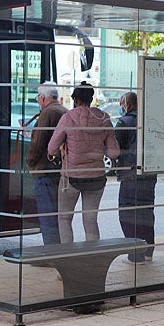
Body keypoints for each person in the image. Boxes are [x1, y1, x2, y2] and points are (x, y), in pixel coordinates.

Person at [47, 82, 119, 243]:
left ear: (74, 99)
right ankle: (92, 257)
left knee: (65, 219)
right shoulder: (104, 119)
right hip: (96, 178)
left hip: (71, 177)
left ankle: (68, 257)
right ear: (91, 98)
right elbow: (114, 153)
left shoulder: (67, 118)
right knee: (91, 220)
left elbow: (51, 149)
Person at [115, 91, 158, 263]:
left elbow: (115, 149)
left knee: (128, 214)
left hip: (130, 175)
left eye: (121, 104)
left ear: (128, 104)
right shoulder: (149, 120)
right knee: (146, 212)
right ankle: (148, 250)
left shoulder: (123, 122)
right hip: (148, 174)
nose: (120, 107)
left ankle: (135, 253)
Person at [25, 81, 68, 245]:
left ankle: (51, 253)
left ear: (42, 98)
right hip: (59, 171)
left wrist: (29, 162)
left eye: (38, 97)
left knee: (47, 215)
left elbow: (38, 143)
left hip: (45, 171)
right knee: (57, 214)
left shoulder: (47, 113)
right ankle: (58, 250)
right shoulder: (64, 111)